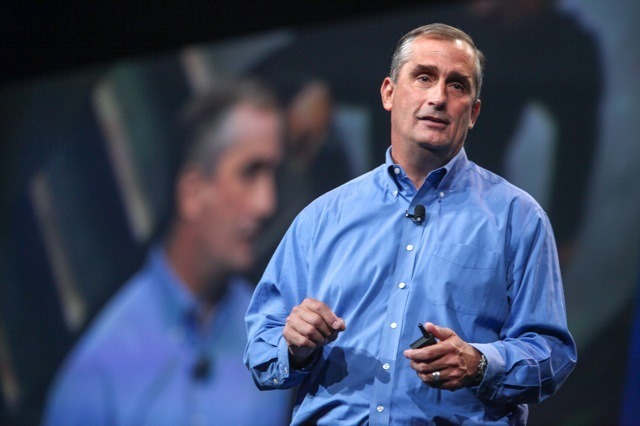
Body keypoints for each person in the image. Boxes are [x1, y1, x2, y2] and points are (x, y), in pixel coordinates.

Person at [244, 23, 576, 424]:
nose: (438, 97)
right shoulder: (322, 218)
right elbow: (262, 350)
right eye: (423, 77)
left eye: (457, 85)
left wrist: (480, 363)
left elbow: (552, 355)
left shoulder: (518, 220)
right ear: (389, 93)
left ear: (473, 112)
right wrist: (294, 346)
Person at [44, 80, 292, 425]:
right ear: (192, 193)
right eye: (250, 173)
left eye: (273, 174)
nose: (267, 204)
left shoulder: (273, 336)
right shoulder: (98, 374)